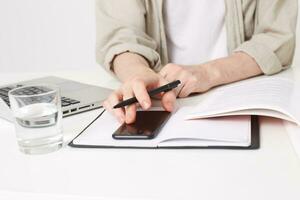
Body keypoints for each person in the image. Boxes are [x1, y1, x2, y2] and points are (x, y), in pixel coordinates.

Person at [96, 0, 298, 124]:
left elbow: (278, 39)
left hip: (239, 96)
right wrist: (137, 74)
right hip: (161, 103)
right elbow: (119, 35)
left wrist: (208, 73)